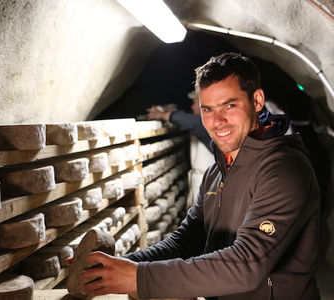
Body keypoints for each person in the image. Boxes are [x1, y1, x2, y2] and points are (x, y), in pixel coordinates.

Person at [71, 53, 321, 299]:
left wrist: (139, 277)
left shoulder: (285, 169)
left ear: (257, 101)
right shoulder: (218, 170)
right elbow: (188, 239)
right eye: (208, 109)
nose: (218, 121)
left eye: (230, 105)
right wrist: (121, 267)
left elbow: (246, 265)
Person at [146, 92, 215, 205]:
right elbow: (186, 116)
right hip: (203, 180)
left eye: (194, 103)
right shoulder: (201, 120)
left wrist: (163, 115)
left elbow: (187, 120)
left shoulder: (206, 124)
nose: (191, 107)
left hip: (209, 183)